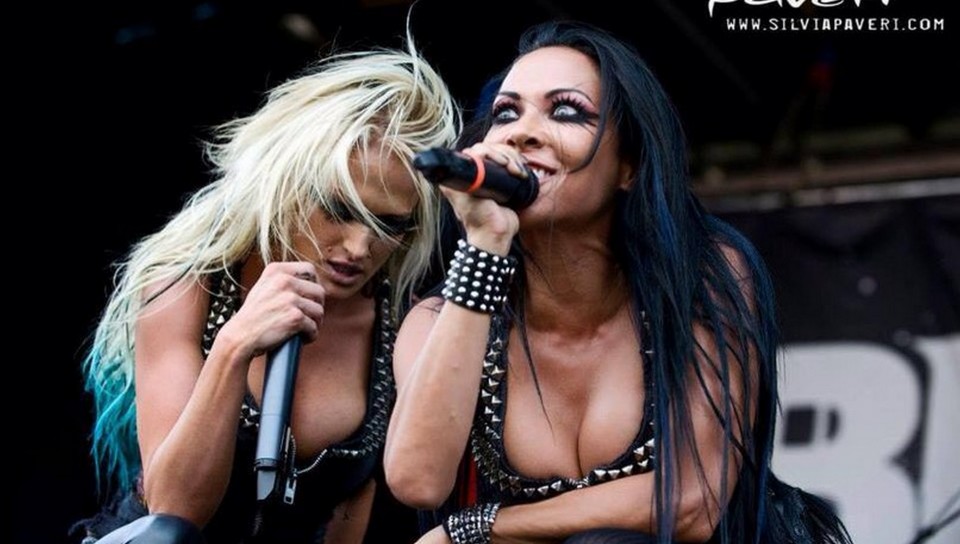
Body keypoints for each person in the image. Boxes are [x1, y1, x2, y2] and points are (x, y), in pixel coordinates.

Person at [384, 21, 852, 544]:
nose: (521, 132)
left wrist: (477, 528)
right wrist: (483, 246)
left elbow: (691, 501)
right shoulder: (439, 319)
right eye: (506, 114)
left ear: (628, 165)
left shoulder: (702, 276)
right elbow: (418, 482)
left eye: (566, 111)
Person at [74, 40, 458, 543]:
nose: (359, 246)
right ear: (287, 183)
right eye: (339, 209)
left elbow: (351, 508)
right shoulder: (188, 284)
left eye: (389, 224)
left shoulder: (400, 324)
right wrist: (235, 345)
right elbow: (171, 511)